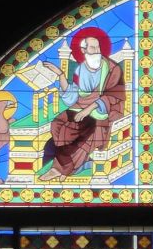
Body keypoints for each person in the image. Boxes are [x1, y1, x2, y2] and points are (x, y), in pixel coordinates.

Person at [38, 27, 125, 182]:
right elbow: (72, 97)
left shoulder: (113, 69)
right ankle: (69, 165)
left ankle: (60, 169)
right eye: (92, 48)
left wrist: (87, 110)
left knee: (87, 130)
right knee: (58, 124)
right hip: (79, 106)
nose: (97, 51)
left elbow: (113, 96)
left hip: (102, 110)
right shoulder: (81, 69)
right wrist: (61, 75)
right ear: (84, 50)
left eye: (98, 47)